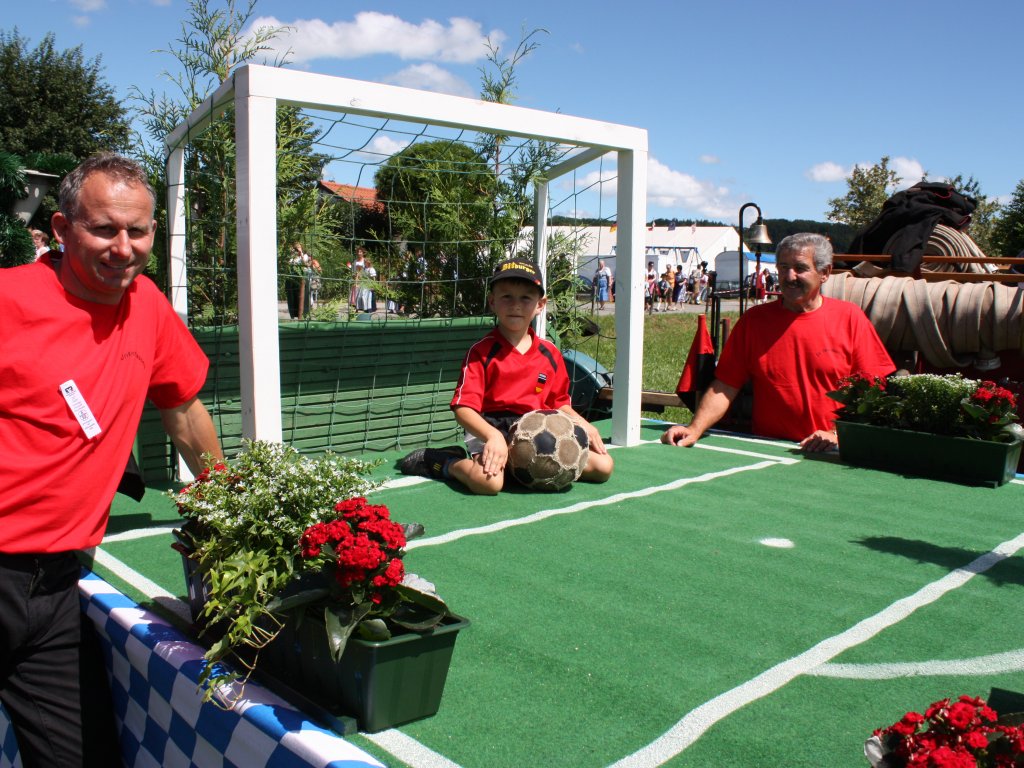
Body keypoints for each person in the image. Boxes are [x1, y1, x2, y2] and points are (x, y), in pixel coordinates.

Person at [0, 152, 223, 767]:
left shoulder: (147, 306)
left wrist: (229, 505)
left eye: (138, 230)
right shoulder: (6, 300)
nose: (123, 247)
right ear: (63, 229)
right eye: (103, 229)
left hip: (57, 589)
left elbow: (184, 411)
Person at [661, 233, 894, 453]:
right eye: (783, 268)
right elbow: (725, 385)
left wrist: (836, 434)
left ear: (825, 273)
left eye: (800, 268)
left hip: (830, 452)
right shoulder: (754, 321)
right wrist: (695, 428)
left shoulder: (850, 318)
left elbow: (872, 391)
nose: (790, 276)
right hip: (770, 449)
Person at [399, 258, 614, 495]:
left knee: (603, 467)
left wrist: (583, 424)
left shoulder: (550, 354)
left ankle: (514, 467)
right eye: (507, 297)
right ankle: (447, 462)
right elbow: (463, 408)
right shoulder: (481, 352)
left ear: (541, 304)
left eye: (525, 297)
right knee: (488, 483)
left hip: (539, 433)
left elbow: (559, 404)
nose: (516, 305)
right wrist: (493, 436)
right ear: (492, 302)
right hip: (492, 427)